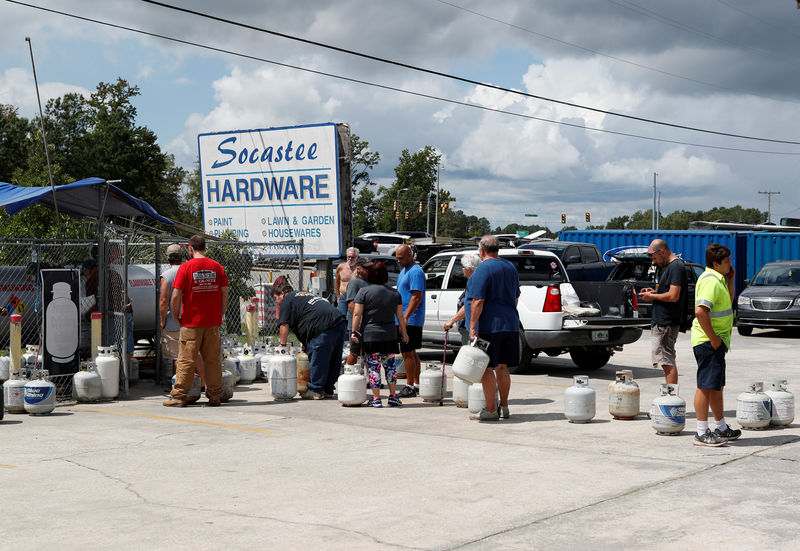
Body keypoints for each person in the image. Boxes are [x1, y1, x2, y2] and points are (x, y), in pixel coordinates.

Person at [164, 235, 228, 407]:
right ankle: (214, 395)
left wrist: (177, 316)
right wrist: (219, 314)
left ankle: (179, 396)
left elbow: (176, 295)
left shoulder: (186, 268)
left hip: (191, 323)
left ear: (190, 249)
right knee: (213, 360)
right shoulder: (217, 267)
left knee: (186, 359)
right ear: (204, 247)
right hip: (212, 323)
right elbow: (224, 294)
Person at [691, 243, 741, 446]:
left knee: (716, 386)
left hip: (717, 342)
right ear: (716, 263)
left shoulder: (719, 279)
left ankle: (721, 427)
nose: (730, 264)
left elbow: (727, 303)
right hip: (708, 341)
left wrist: (731, 279)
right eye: (727, 261)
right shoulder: (711, 281)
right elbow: (700, 311)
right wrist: (713, 339)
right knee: (705, 386)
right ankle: (701, 432)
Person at [466, 236, 520, 421]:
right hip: (510, 324)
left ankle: (490, 409)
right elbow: (516, 298)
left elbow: (477, 301)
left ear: (481, 250)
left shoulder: (482, 269)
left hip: (489, 326)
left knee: (486, 368)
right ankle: (504, 406)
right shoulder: (510, 267)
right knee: (503, 367)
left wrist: (472, 326)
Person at [271, 280, 346, 399]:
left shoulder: (287, 300)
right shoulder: (303, 295)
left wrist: (282, 345)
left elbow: (284, 324)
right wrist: (305, 343)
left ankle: (315, 390)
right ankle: (327, 389)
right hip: (339, 320)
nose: (276, 302)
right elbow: (306, 317)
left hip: (322, 325)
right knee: (333, 358)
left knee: (318, 357)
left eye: (276, 298)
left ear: (282, 293)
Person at [351, 262, 409, 407]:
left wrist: (354, 331)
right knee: (390, 367)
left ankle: (376, 399)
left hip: (371, 336)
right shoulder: (395, 293)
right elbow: (400, 317)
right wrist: (404, 333)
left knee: (374, 367)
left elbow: (357, 313)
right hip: (390, 336)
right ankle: (393, 396)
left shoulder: (363, 292)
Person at [638, 239, 688, 384]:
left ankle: (671, 397)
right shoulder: (666, 267)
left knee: (667, 361)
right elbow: (666, 291)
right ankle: (670, 396)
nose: (653, 262)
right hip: (661, 320)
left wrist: (652, 296)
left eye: (654, 258)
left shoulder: (676, 267)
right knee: (664, 360)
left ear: (662, 252)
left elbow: (673, 296)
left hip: (667, 322)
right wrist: (654, 291)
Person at [160, 244, 205, 392]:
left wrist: (162, 321)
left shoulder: (167, 276)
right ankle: (203, 383)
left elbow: (164, 300)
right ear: (182, 256)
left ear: (168, 258)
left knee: (177, 355)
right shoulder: (189, 270)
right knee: (195, 352)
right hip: (191, 319)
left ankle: (182, 386)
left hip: (173, 322)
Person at [395, 244, 425, 398]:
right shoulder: (404, 271)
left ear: (409, 254)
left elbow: (416, 296)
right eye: (397, 257)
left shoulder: (415, 272)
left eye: (401, 258)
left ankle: (410, 385)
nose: (398, 260)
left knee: (407, 353)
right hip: (404, 317)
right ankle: (416, 384)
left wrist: (405, 317)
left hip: (410, 319)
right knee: (411, 353)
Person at [443, 252, 482, 345]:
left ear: (469, 269)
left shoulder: (475, 282)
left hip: (472, 329)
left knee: (471, 357)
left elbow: (469, 306)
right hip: (474, 327)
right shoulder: (480, 280)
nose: (462, 269)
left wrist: (451, 321)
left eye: (463, 267)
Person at [345, 257, 372, 367]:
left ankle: (368, 379)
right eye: (366, 268)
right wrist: (359, 321)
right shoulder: (355, 282)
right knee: (355, 353)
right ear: (359, 269)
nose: (369, 270)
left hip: (368, 324)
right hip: (357, 324)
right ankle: (348, 375)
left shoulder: (368, 282)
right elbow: (351, 304)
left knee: (368, 354)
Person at [335, 247, 359, 319]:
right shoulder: (341, 267)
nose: (350, 259)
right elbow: (337, 282)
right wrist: (338, 296)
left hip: (355, 298)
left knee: (352, 318)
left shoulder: (359, 269)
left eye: (352, 257)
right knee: (340, 318)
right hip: (343, 297)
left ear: (356, 257)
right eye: (349, 257)